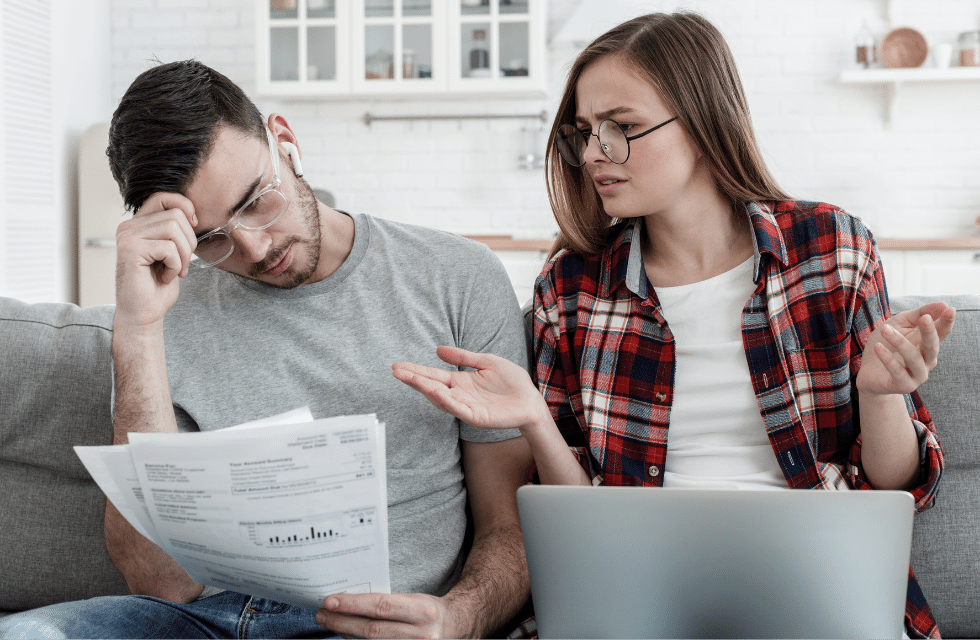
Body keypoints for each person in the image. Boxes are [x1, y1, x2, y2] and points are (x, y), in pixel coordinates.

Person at [392, 12, 955, 640]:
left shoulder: (833, 247)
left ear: (703, 118)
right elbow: (578, 524)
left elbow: (900, 485)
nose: (594, 154)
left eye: (622, 128)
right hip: (636, 596)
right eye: (584, 132)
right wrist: (534, 420)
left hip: (814, 590)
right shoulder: (570, 288)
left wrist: (881, 395)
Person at [0, 60, 533, 640]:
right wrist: (138, 327)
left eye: (255, 201)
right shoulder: (162, 314)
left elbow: (511, 526)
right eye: (213, 238)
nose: (254, 248)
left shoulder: (457, 277)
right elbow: (160, 583)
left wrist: (461, 619)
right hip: (195, 621)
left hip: (364, 629)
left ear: (285, 142)